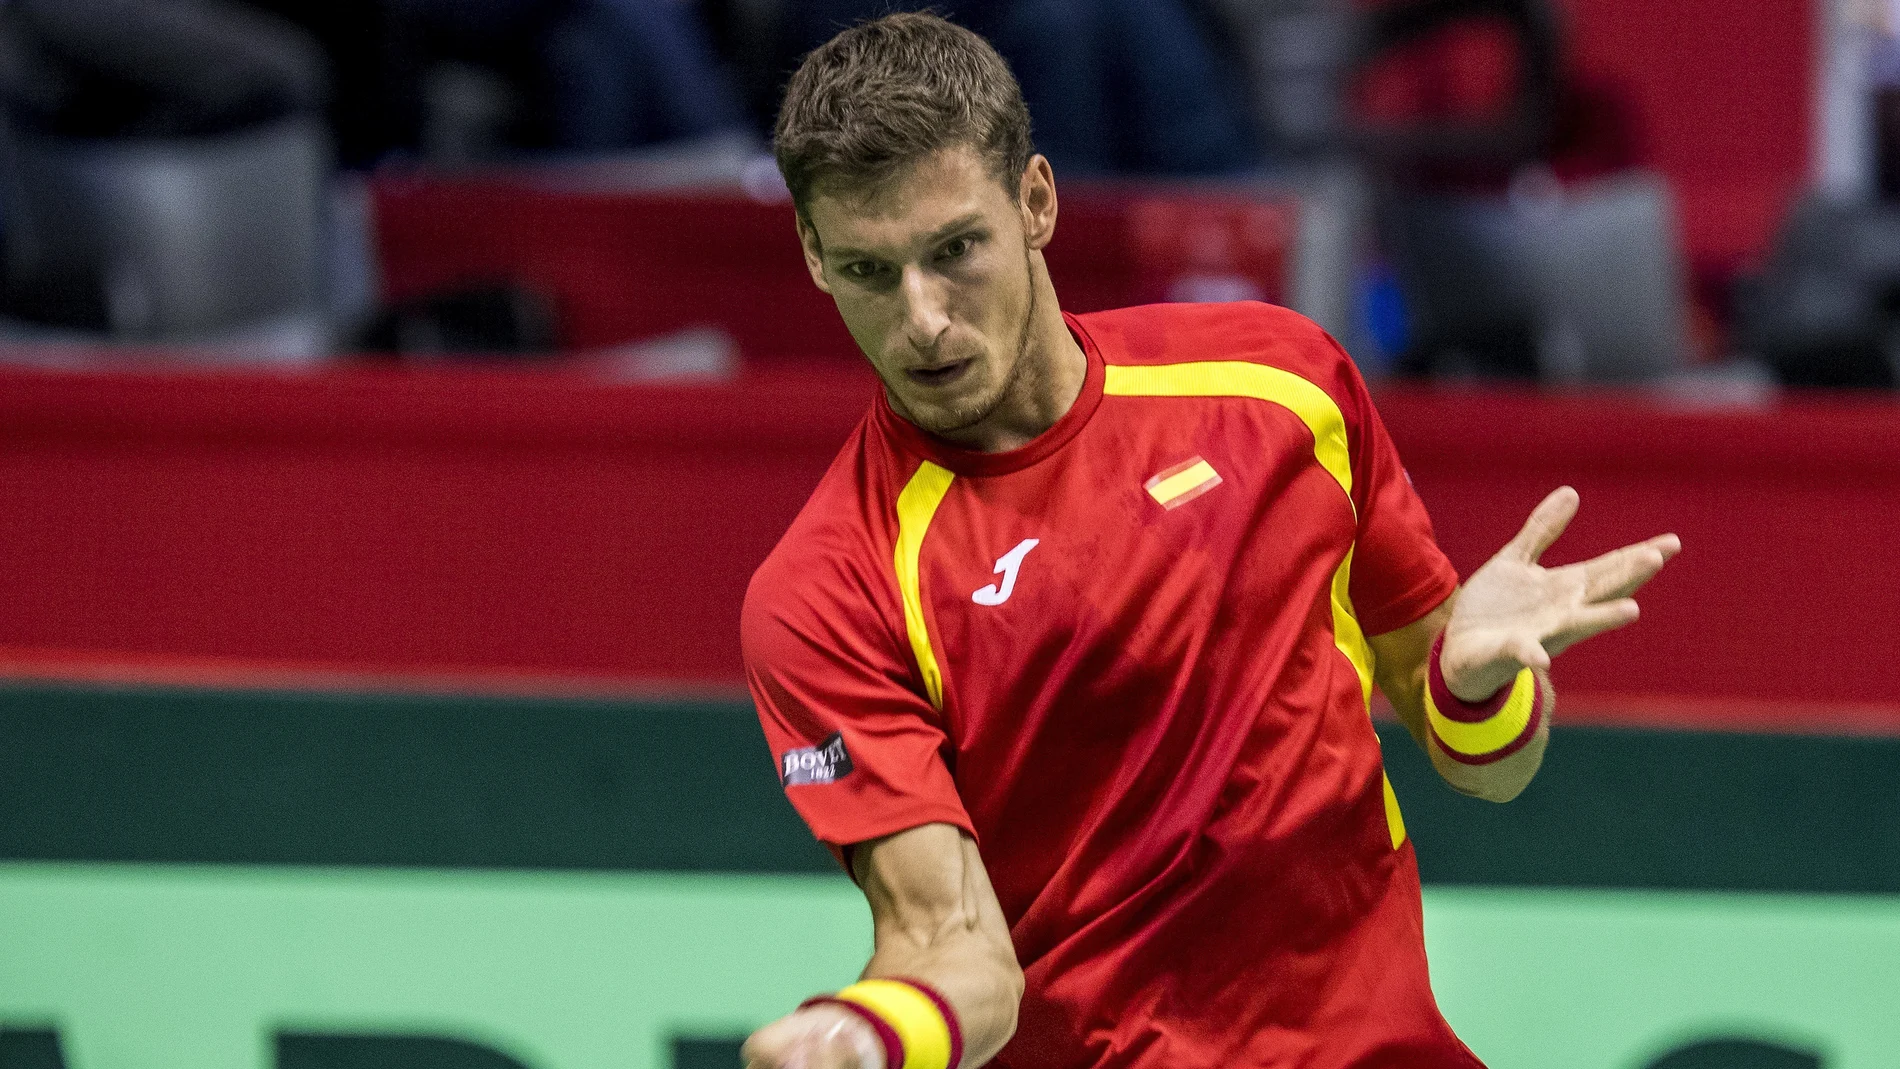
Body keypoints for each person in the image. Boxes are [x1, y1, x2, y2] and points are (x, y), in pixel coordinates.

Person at [740, 13, 1679, 1069]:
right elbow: (956, 953)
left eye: (955, 251)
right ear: (814, 257)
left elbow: (1483, 763)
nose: (922, 320)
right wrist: (862, 1034)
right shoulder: (830, 591)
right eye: (869, 271)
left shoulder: (1278, 382)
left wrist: (1469, 689)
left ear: (1035, 202)